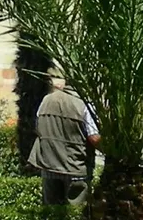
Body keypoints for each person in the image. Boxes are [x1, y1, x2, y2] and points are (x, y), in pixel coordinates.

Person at [29, 74, 99, 204]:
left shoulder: (46, 100)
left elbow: (38, 127)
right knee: (75, 215)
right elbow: (94, 138)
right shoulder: (84, 104)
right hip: (75, 168)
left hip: (48, 166)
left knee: (52, 213)